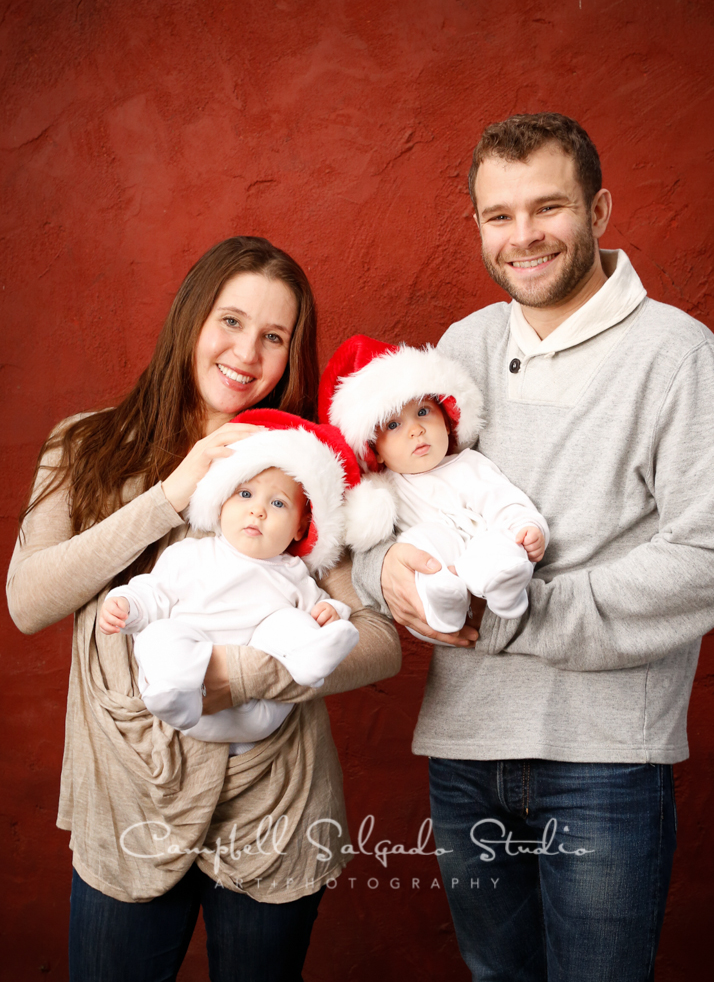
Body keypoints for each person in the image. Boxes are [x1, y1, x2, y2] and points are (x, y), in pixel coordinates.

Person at [352, 113, 714, 981]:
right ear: (477, 225)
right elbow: (404, 504)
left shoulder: (679, 355)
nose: (524, 237)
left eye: (547, 208)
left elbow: (704, 555)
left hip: (605, 762)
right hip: (466, 750)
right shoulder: (462, 349)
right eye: (498, 215)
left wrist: (520, 613)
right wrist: (381, 572)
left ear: (599, 209)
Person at [6, 235, 400, 982]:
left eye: (274, 337)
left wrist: (240, 674)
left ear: (291, 355)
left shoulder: (306, 474)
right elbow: (28, 602)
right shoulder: (83, 446)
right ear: (190, 318)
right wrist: (170, 497)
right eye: (230, 321)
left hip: (275, 808)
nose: (247, 352)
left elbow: (380, 642)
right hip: (127, 803)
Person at [100, 412, 361, 741]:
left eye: (278, 503)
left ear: (300, 528)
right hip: (192, 703)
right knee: (160, 635)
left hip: (262, 708)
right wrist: (126, 604)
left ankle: (311, 660)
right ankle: (170, 691)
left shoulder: (295, 573)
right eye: (246, 494)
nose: (258, 511)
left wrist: (332, 615)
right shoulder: (190, 554)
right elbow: (153, 593)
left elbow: (321, 606)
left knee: (291, 624)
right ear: (221, 502)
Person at [318, 335, 548, 630]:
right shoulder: (384, 495)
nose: (415, 430)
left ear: (447, 419)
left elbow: (503, 501)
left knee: (498, 545)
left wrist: (527, 528)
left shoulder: (468, 465)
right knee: (419, 541)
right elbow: (373, 549)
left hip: (484, 551)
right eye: (393, 425)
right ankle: (443, 600)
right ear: (376, 451)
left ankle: (506, 587)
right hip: (439, 566)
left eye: (423, 412)